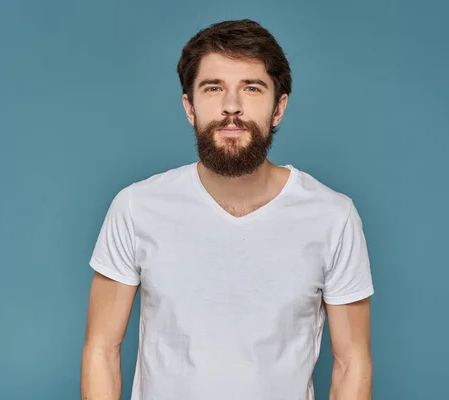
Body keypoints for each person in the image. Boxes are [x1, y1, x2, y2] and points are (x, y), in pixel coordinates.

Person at [81, 19, 374, 400]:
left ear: (278, 108)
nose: (231, 107)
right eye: (213, 88)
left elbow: (352, 363)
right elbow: (101, 350)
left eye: (251, 88)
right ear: (190, 106)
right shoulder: (136, 207)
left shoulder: (333, 217)